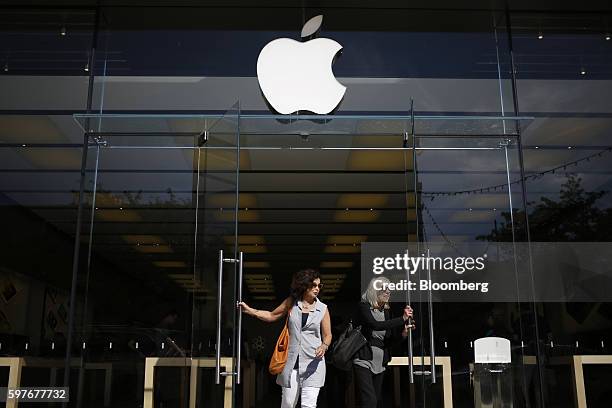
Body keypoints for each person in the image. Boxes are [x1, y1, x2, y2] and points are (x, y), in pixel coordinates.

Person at [238, 268, 331, 408]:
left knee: (309, 405)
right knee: (288, 403)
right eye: (313, 285)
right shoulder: (291, 303)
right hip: (291, 362)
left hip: (313, 363)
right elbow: (271, 315)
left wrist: (324, 346)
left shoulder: (323, 308)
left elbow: (327, 334)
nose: (317, 288)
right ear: (304, 286)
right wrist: (250, 310)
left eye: (319, 285)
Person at [353, 277, 414, 408]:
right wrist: (402, 318)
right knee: (369, 401)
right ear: (375, 290)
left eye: (389, 289)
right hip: (363, 359)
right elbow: (375, 325)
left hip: (380, 362)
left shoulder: (386, 311)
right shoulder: (364, 306)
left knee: (375, 400)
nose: (388, 292)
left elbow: (387, 342)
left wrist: (403, 334)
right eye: (384, 289)